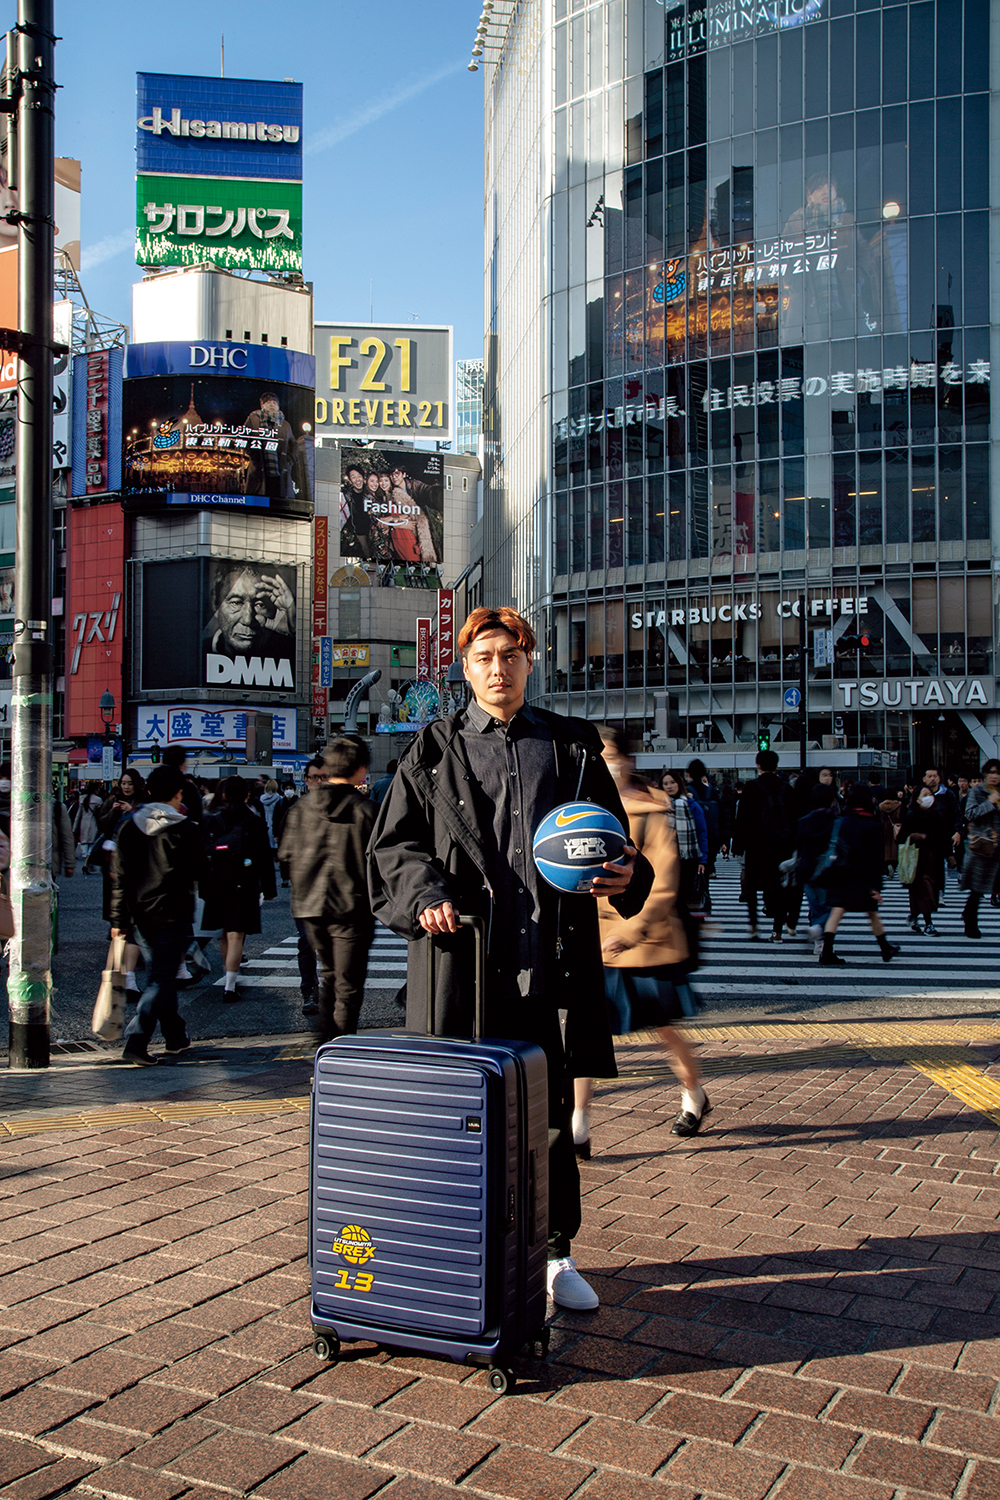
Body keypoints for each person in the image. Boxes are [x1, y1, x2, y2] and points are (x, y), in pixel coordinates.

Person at [368, 605, 650, 1313]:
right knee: (453, 1114)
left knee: (550, 1116)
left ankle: (556, 1253)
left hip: (549, 961)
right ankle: (454, 1245)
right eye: (485, 657)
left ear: (530, 662)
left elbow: (612, 843)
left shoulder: (572, 745)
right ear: (465, 670)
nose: (499, 668)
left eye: (511, 655)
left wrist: (628, 875)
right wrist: (425, 891)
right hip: (461, 961)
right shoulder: (433, 747)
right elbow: (392, 847)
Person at [573, 728, 707, 1155]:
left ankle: (694, 1094)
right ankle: (579, 1123)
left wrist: (632, 930)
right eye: (600, 757)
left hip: (645, 940)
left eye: (611, 756)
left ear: (628, 761)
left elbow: (665, 883)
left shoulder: (652, 811)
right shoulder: (584, 805)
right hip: (596, 939)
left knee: (663, 1030)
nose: (606, 764)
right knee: (584, 1035)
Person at [278, 737, 376, 1042]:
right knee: (348, 986)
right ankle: (339, 1053)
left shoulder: (301, 808)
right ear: (361, 770)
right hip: (352, 907)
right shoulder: (367, 810)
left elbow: (286, 854)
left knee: (329, 977)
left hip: (310, 904)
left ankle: (324, 1045)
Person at [110, 766, 204, 1065]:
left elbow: (119, 878)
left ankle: (176, 1036)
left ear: (148, 791)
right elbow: (199, 871)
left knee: (159, 974)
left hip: (139, 914)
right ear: (178, 795)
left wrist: (118, 920)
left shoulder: (129, 826)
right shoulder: (186, 829)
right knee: (161, 978)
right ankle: (136, 1041)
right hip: (172, 913)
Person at [201, 776, 276, 1000]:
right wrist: (269, 888)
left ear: (223, 794)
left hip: (217, 883)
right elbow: (264, 857)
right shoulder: (253, 820)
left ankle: (228, 975)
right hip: (245, 882)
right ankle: (230, 985)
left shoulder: (213, 819)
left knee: (224, 934)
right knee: (237, 935)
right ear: (246, 794)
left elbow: (203, 854)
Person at [818, 785, 901, 966]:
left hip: (840, 873)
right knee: (872, 913)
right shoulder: (872, 824)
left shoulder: (841, 820)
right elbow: (875, 858)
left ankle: (827, 951)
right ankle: (885, 947)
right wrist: (876, 886)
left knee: (837, 912)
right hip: (861, 876)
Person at [732, 750, 796, 941]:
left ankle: (753, 924)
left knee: (751, 886)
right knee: (779, 887)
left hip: (756, 844)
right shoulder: (787, 789)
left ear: (758, 765)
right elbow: (794, 819)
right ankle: (777, 930)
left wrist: (738, 845)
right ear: (776, 766)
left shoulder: (751, 787)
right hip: (780, 845)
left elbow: (742, 818)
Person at [202, 563, 295, 667]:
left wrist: (295, 634)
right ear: (215, 602)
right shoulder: (197, 656)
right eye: (236, 603)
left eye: (260, 604)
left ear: (275, 609)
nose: (248, 620)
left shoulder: (291, 652)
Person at [662, 769, 708, 961]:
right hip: (666, 859)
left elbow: (702, 832)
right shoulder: (660, 806)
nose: (669, 786)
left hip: (688, 859)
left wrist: (703, 859)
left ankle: (685, 938)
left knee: (681, 899)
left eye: (672, 782)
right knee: (672, 900)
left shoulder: (690, 804)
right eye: (665, 784)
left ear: (679, 783)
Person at [796, 783, 839, 954]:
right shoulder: (836, 821)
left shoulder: (804, 821)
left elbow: (798, 845)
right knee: (832, 907)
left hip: (807, 867)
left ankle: (819, 941)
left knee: (815, 906)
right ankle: (820, 930)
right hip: (829, 868)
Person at [959, 760, 1000, 938]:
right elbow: (970, 814)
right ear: (985, 774)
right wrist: (989, 802)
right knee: (978, 888)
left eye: (997, 773)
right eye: (991, 772)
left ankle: (969, 915)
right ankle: (970, 918)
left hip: (999, 846)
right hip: (983, 846)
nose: (994, 776)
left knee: (991, 885)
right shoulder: (978, 791)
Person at [899, 789, 944, 935]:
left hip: (934, 858)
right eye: (924, 795)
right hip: (917, 860)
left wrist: (949, 856)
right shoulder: (912, 815)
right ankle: (928, 923)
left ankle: (913, 916)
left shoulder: (936, 814)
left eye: (930, 794)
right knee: (924, 890)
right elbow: (901, 838)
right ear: (917, 799)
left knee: (930, 890)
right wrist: (913, 837)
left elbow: (943, 836)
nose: (929, 798)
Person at [244, 390, 297, 499]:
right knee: (257, 500)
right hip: (259, 469)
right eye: (268, 402)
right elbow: (244, 437)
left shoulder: (285, 424)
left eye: (274, 402)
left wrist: (289, 460)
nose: (272, 404)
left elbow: (294, 444)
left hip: (280, 471)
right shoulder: (253, 419)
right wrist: (253, 455)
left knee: (280, 500)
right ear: (262, 405)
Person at [161, 746, 203, 823]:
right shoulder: (188, 788)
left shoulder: (154, 785)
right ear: (182, 765)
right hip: (183, 830)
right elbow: (196, 815)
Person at [72, 785, 103, 869]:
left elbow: (78, 815)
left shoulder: (82, 799)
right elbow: (100, 814)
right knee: (93, 845)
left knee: (85, 844)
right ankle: (87, 862)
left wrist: (75, 828)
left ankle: (86, 861)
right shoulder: (98, 800)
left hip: (84, 824)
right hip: (94, 824)